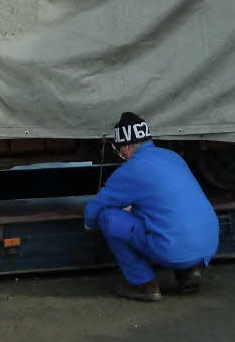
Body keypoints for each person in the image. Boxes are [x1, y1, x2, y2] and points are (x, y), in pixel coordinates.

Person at [84, 111, 220, 302]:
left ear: (126, 147)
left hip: (174, 250)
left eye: (120, 150)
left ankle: (144, 284)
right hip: (208, 246)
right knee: (169, 217)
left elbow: (95, 208)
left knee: (107, 217)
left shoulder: (131, 169)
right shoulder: (173, 157)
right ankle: (189, 271)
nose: (122, 154)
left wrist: (90, 226)